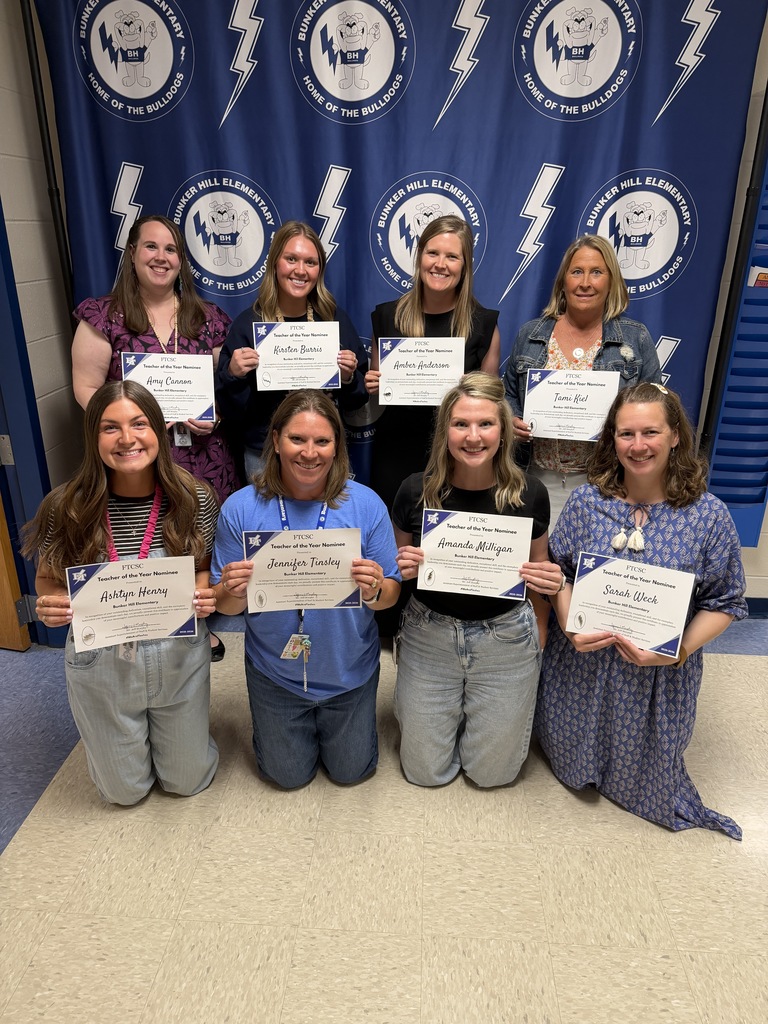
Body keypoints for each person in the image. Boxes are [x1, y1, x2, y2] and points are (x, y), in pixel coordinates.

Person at [535, 381, 748, 838]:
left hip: (657, 673)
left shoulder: (707, 515)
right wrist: (573, 625)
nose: (637, 446)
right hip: (581, 665)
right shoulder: (587, 503)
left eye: (650, 432)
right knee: (571, 762)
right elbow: (559, 573)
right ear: (611, 438)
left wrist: (679, 650)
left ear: (675, 436)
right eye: (625, 433)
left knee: (645, 779)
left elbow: (726, 601)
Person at [21, 381, 220, 806]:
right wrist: (52, 605)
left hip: (176, 650)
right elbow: (48, 580)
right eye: (110, 428)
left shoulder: (194, 498)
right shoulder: (66, 506)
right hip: (103, 658)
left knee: (187, 781)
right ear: (93, 438)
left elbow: (202, 571)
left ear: (160, 432)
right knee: (123, 794)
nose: (127, 439)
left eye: (139, 424)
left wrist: (205, 595)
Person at [211, 390, 400, 790]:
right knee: (287, 778)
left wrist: (373, 589)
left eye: (322, 441)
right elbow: (225, 607)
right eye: (297, 439)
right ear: (276, 440)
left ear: (337, 447)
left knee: (352, 773)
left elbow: (391, 595)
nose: (309, 453)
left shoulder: (366, 506)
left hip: (349, 669)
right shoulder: (240, 508)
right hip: (274, 672)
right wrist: (231, 589)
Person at [72, 214, 237, 660]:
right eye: (151, 247)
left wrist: (215, 417)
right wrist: (129, 427)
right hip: (135, 458)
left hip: (202, 454)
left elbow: (223, 388)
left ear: (182, 261)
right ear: (132, 254)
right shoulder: (103, 316)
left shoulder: (205, 317)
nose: (161, 258)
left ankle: (197, 622)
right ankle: (145, 616)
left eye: (171, 250)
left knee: (194, 537)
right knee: (144, 532)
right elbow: (86, 389)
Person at [391, 372, 563, 788]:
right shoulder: (415, 491)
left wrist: (540, 627)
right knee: (424, 773)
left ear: (503, 431)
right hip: (430, 633)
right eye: (460, 424)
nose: (473, 436)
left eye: (485, 424)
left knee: (492, 775)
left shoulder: (530, 494)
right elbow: (395, 571)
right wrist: (402, 567)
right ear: (444, 431)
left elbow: (537, 575)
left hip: (505, 636)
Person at [503, 233, 661, 523]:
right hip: (534, 479)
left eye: (596, 272)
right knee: (537, 566)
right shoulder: (531, 335)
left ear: (610, 281)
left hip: (607, 486)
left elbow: (658, 412)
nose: (585, 282)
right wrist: (511, 419)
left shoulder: (635, 338)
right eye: (577, 272)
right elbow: (508, 394)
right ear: (563, 281)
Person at [365, 214, 501, 510]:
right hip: (396, 451)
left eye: (452, 256)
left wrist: (474, 390)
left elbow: (493, 404)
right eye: (433, 253)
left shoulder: (483, 324)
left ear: (465, 266)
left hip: (460, 458)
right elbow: (375, 394)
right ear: (419, 256)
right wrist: (372, 383)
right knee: (396, 550)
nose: (440, 264)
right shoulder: (387, 317)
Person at [215, 220, 369, 480]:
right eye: (291, 259)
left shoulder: (334, 320)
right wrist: (233, 374)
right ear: (275, 263)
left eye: (310, 262)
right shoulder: (249, 323)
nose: (301, 270)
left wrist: (349, 378)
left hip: (323, 452)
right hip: (264, 456)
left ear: (319, 269)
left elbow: (358, 399)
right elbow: (231, 412)